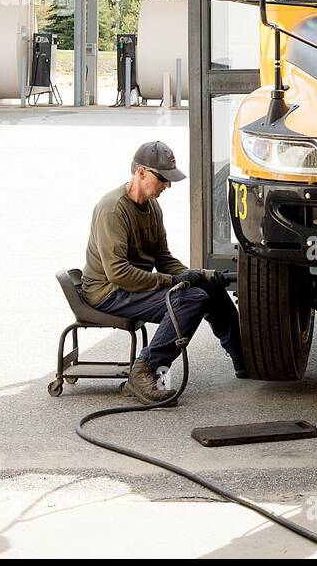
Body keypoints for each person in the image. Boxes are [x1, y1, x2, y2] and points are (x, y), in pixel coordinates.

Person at [80, 140, 245, 402]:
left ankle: (243, 356)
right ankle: (144, 369)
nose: (167, 186)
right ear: (141, 173)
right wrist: (173, 281)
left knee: (207, 289)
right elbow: (119, 274)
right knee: (190, 301)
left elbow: (163, 257)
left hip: (134, 286)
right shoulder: (113, 210)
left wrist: (196, 275)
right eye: (163, 179)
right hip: (110, 292)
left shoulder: (152, 207)